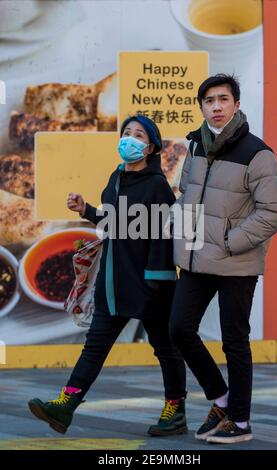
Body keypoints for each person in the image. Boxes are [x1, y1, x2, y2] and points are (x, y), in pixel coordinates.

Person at [28, 115, 187, 437]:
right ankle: (65, 405)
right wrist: (85, 209)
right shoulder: (115, 178)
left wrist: (158, 279)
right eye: (126, 132)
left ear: (151, 147)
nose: (129, 138)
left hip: (151, 282)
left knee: (165, 348)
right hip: (114, 280)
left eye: (138, 134)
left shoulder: (157, 185)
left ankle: (176, 410)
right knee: (95, 346)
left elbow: (167, 235)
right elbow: (114, 222)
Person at [169, 74, 277, 444]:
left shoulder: (257, 152)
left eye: (223, 99)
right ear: (201, 107)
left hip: (236, 261)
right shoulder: (196, 147)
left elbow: (272, 211)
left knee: (235, 340)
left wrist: (230, 241)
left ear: (236, 104)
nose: (216, 106)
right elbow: (186, 193)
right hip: (195, 258)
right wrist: (180, 232)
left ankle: (241, 422)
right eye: (208, 101)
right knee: (180, 329)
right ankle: (221, 399)